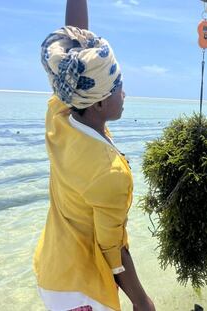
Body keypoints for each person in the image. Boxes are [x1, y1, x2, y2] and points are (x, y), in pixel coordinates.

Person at [33, 1, 155, 310]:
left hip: (52, 270)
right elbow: (112, 252)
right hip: (81, 289)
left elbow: (75, 53)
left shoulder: (60, 114)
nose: (125, 94)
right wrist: (143, 302)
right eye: (118, 87)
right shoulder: (110, 173)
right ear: (99, 104)